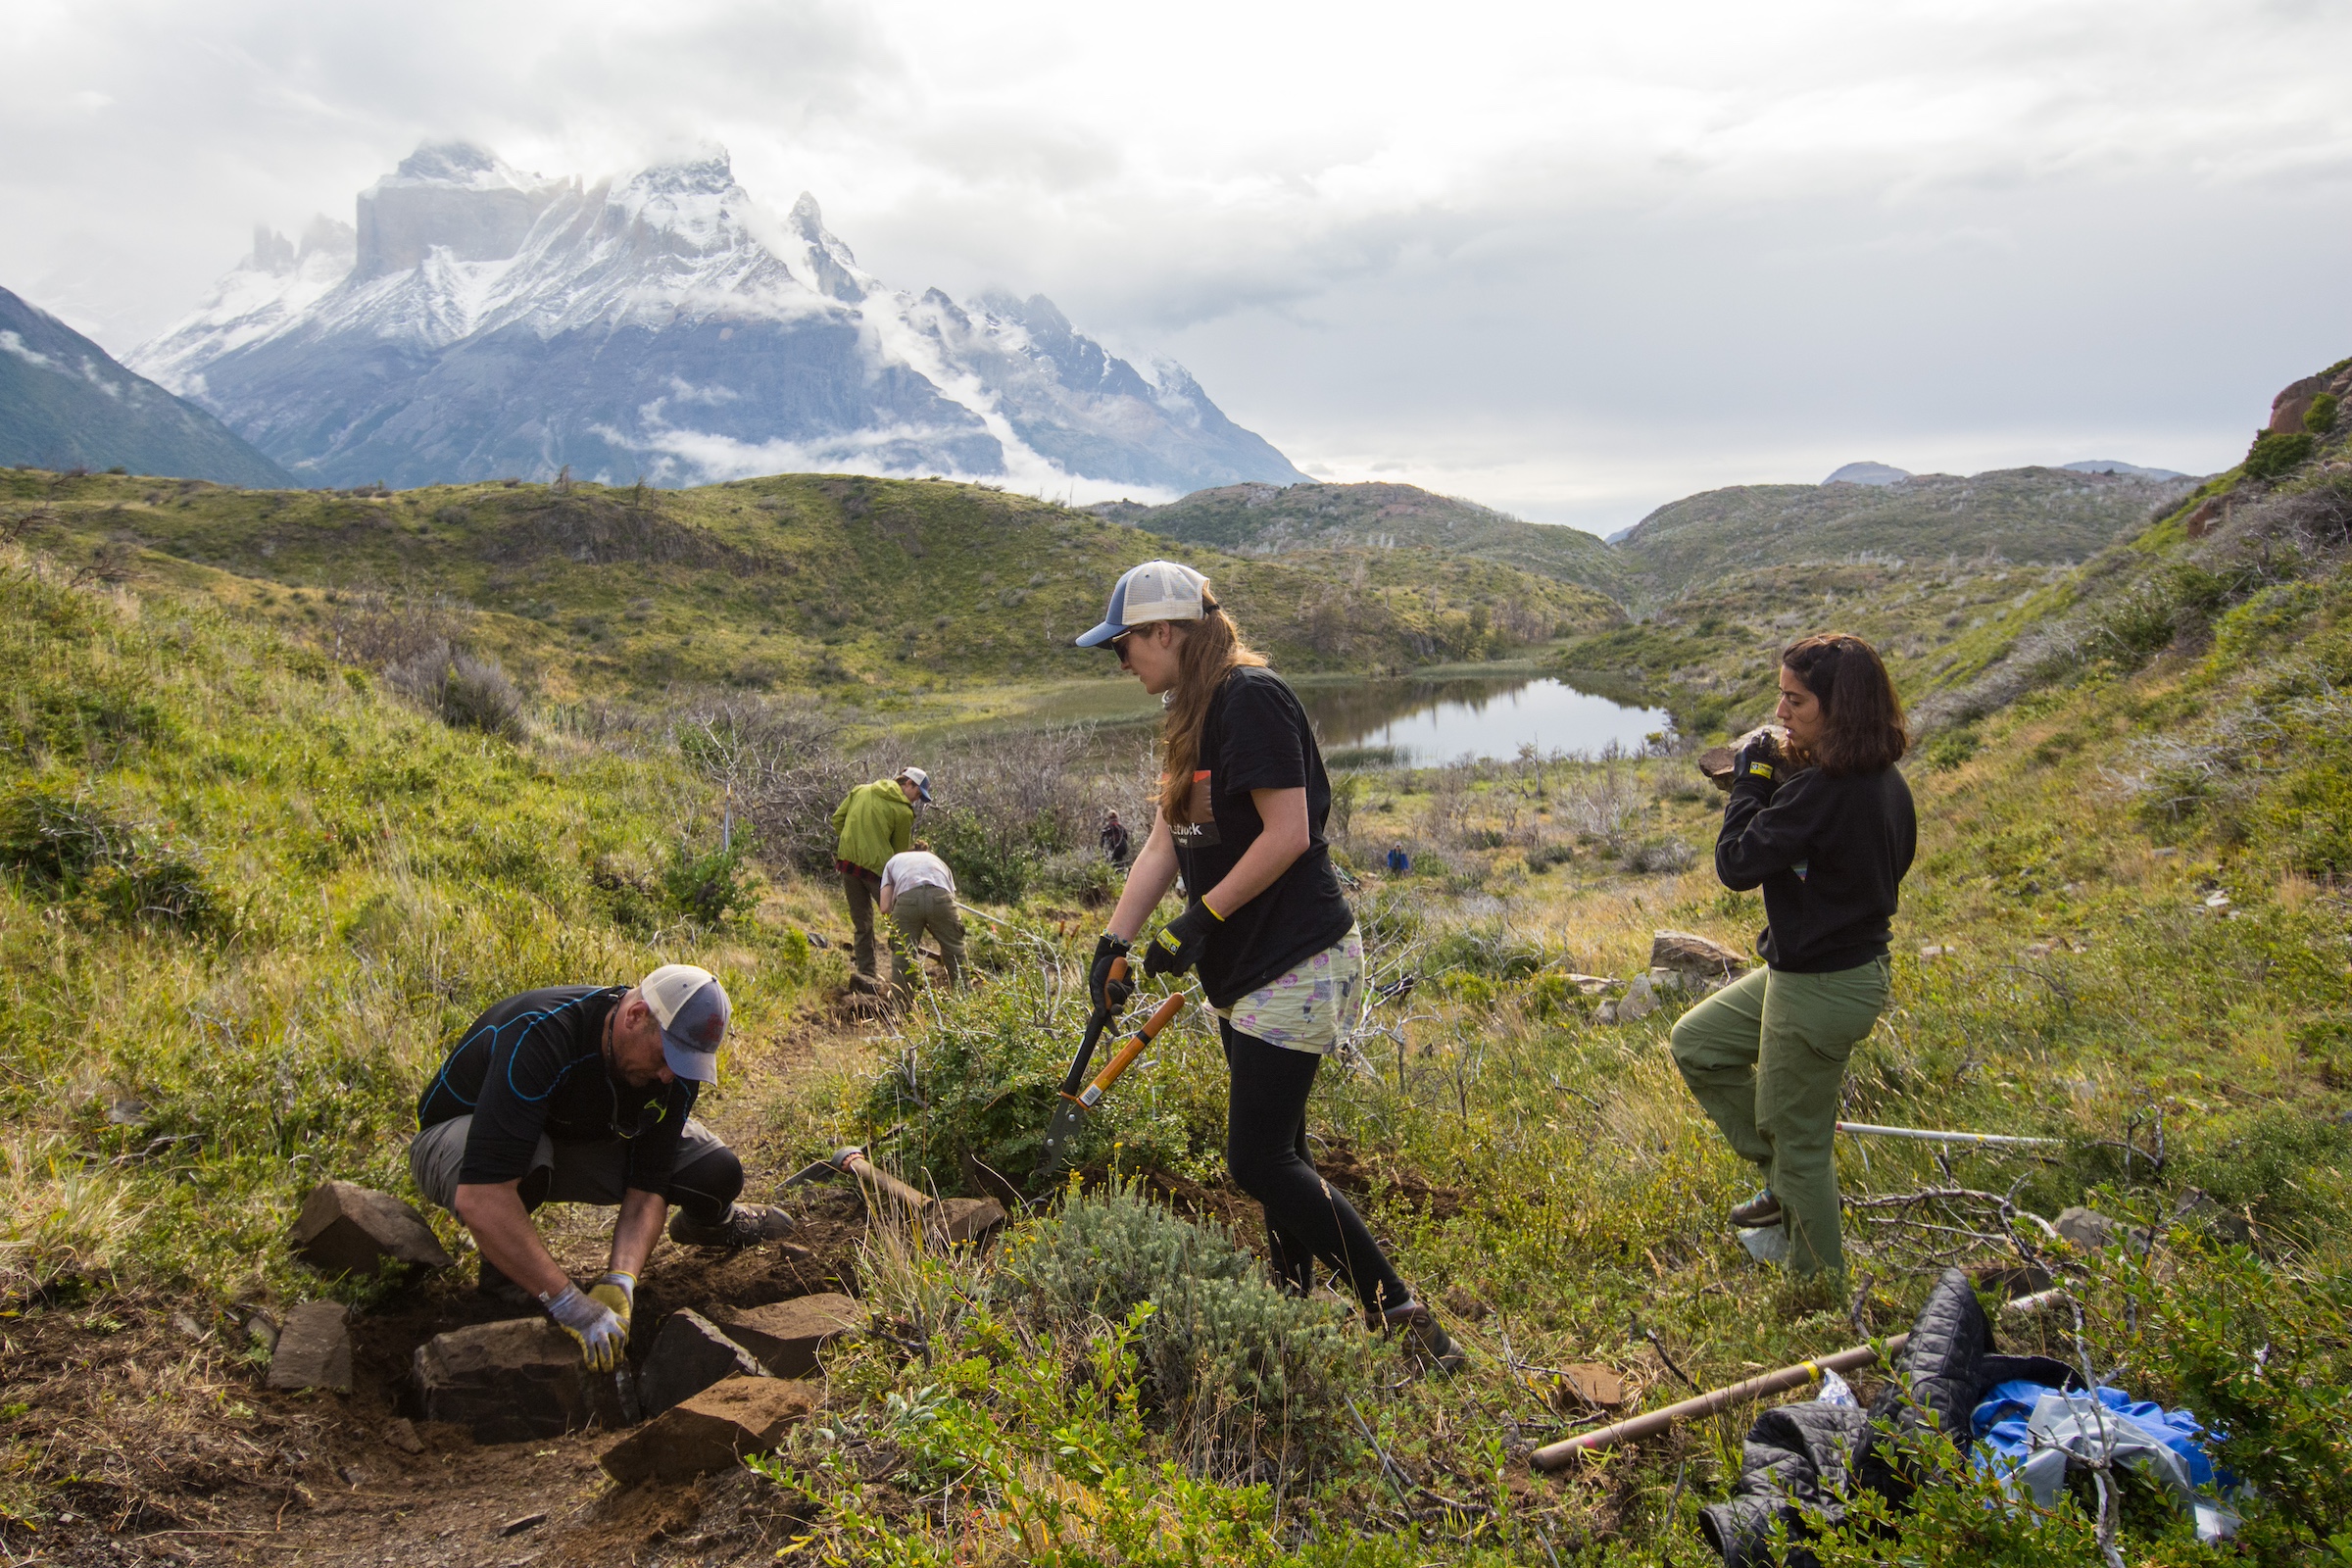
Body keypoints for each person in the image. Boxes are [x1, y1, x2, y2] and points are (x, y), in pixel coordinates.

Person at [1077, 560, 1462, 1372]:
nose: (1121, 663)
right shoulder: (1194, 709)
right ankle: (1289, 1299)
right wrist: (1115, 943)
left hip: (1297, 957)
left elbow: (1289, 833)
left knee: (1255, 1160)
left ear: (1165, 633)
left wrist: (1198, 921)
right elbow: (1161, 843)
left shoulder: (1251, 700)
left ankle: (1403, 1315)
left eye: (1125, 646)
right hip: (1249, 970)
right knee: (1282, 1149)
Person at [1669, 634, 1916, 1278]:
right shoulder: (1882, 782)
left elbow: (1737, 864)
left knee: (1800, 1140)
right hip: (1825, 973)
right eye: (1781, 696)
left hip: (1820, 988)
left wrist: (1749, 781)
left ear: (1841, 708)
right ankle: (1783, 1182)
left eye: (1795, 700)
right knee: (1699, 1042)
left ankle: (1817, 1290)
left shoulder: (1829, 791)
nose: (1781, 712)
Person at [409, 964, 799, 1369]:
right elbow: (482, 1197)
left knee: (713, 1171)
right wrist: (568, 1302)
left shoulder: (676, 1064)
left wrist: (621, 1280)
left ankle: (710, 1225)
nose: (670, 1075)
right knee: (528, 1159)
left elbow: (649, 1186)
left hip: (578, 1135)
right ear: (634, 1016)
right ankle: (508, 1294)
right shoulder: (543, 1032)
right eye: (668, 1056)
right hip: (460, 1142)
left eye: (685, 1063)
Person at [831, 767, 930, 991]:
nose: (918, 800)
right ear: (908, 784)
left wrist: (854, 841)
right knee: (899, 922)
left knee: (862, 922)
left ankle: (866, 975)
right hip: (879, 871)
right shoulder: (903, 812)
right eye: (918, 794)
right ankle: (904, 977)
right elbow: (900, 853)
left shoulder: (861, 790)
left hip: (848, 863)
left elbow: (838, 820)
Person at [879, 840, 964, 1004]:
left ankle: (902, 1011)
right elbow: (950, 901)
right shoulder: (938, 862)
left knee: (903, 954)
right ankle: (965, 1004)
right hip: (941, 896)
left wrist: (903, 921)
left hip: (907, 899)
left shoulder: (894, 861)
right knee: (955, 950)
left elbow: (884, 907)